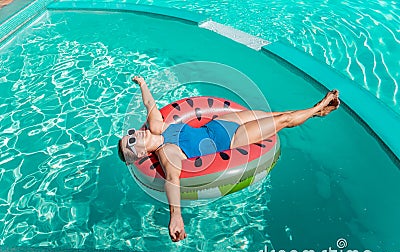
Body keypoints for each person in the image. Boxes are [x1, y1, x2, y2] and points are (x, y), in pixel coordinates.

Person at [118, 76, 340, 242]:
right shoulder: (167, 151)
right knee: (284, 120)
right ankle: (318, 108)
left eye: (129, 133)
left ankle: (316, 112)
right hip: (233, 139)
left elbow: (149, 104)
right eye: (131, 141)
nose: (133, 134)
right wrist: (175, 215)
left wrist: (142, 84)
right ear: (139, 154)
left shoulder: (157, 126)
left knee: (273, 114)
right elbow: (173, 178)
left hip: (221, 124)